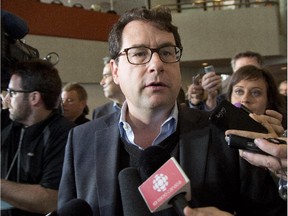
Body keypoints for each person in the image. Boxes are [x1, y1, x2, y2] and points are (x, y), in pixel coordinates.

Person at [58, 6, 286, 216]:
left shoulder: (225, 134)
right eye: (138, 54)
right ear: (115, 70)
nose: (156, 64)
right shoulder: (81, 140)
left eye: (167, 52)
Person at [1, 59, 75, 216]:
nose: (7, 99)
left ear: (34, 98)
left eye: (12, 93)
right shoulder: (8, 123)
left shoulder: (65, 134)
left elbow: (50, 200)